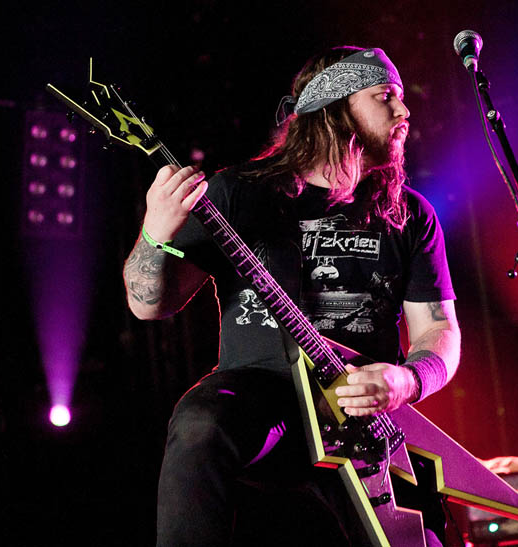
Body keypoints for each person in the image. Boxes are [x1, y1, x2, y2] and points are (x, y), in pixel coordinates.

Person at [123, 46, 461, 546]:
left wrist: (406, 380)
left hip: (364, 418)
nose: (404, 110)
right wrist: (154, 235)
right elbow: (148, 304)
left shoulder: (410, 214)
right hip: (262, 395)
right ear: (336, 107)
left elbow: (439, 329)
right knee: (200, 423)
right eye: (385, 96)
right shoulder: (238, 193)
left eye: (402, 98)